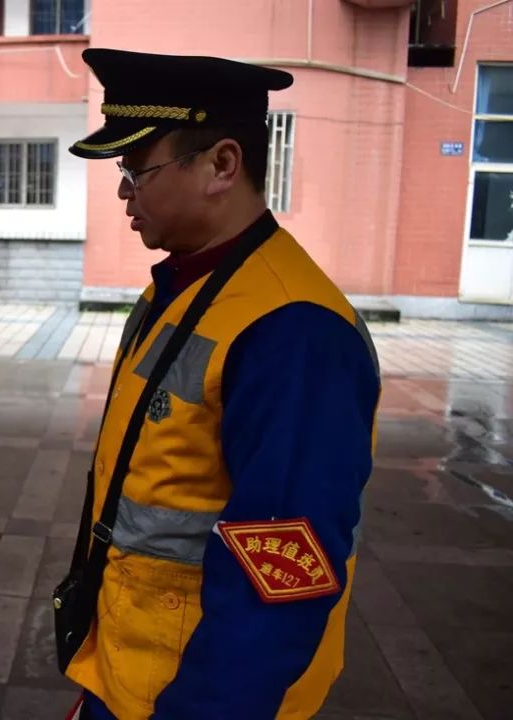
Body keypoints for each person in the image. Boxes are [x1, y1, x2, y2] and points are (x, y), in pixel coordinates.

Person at [58, 50, 381, 719]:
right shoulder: (184, 287)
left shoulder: (293, 333)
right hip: (126, 671)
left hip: (194, 696)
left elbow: (282, 576)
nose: (124, 191)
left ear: (222, 166)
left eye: (136, 169)